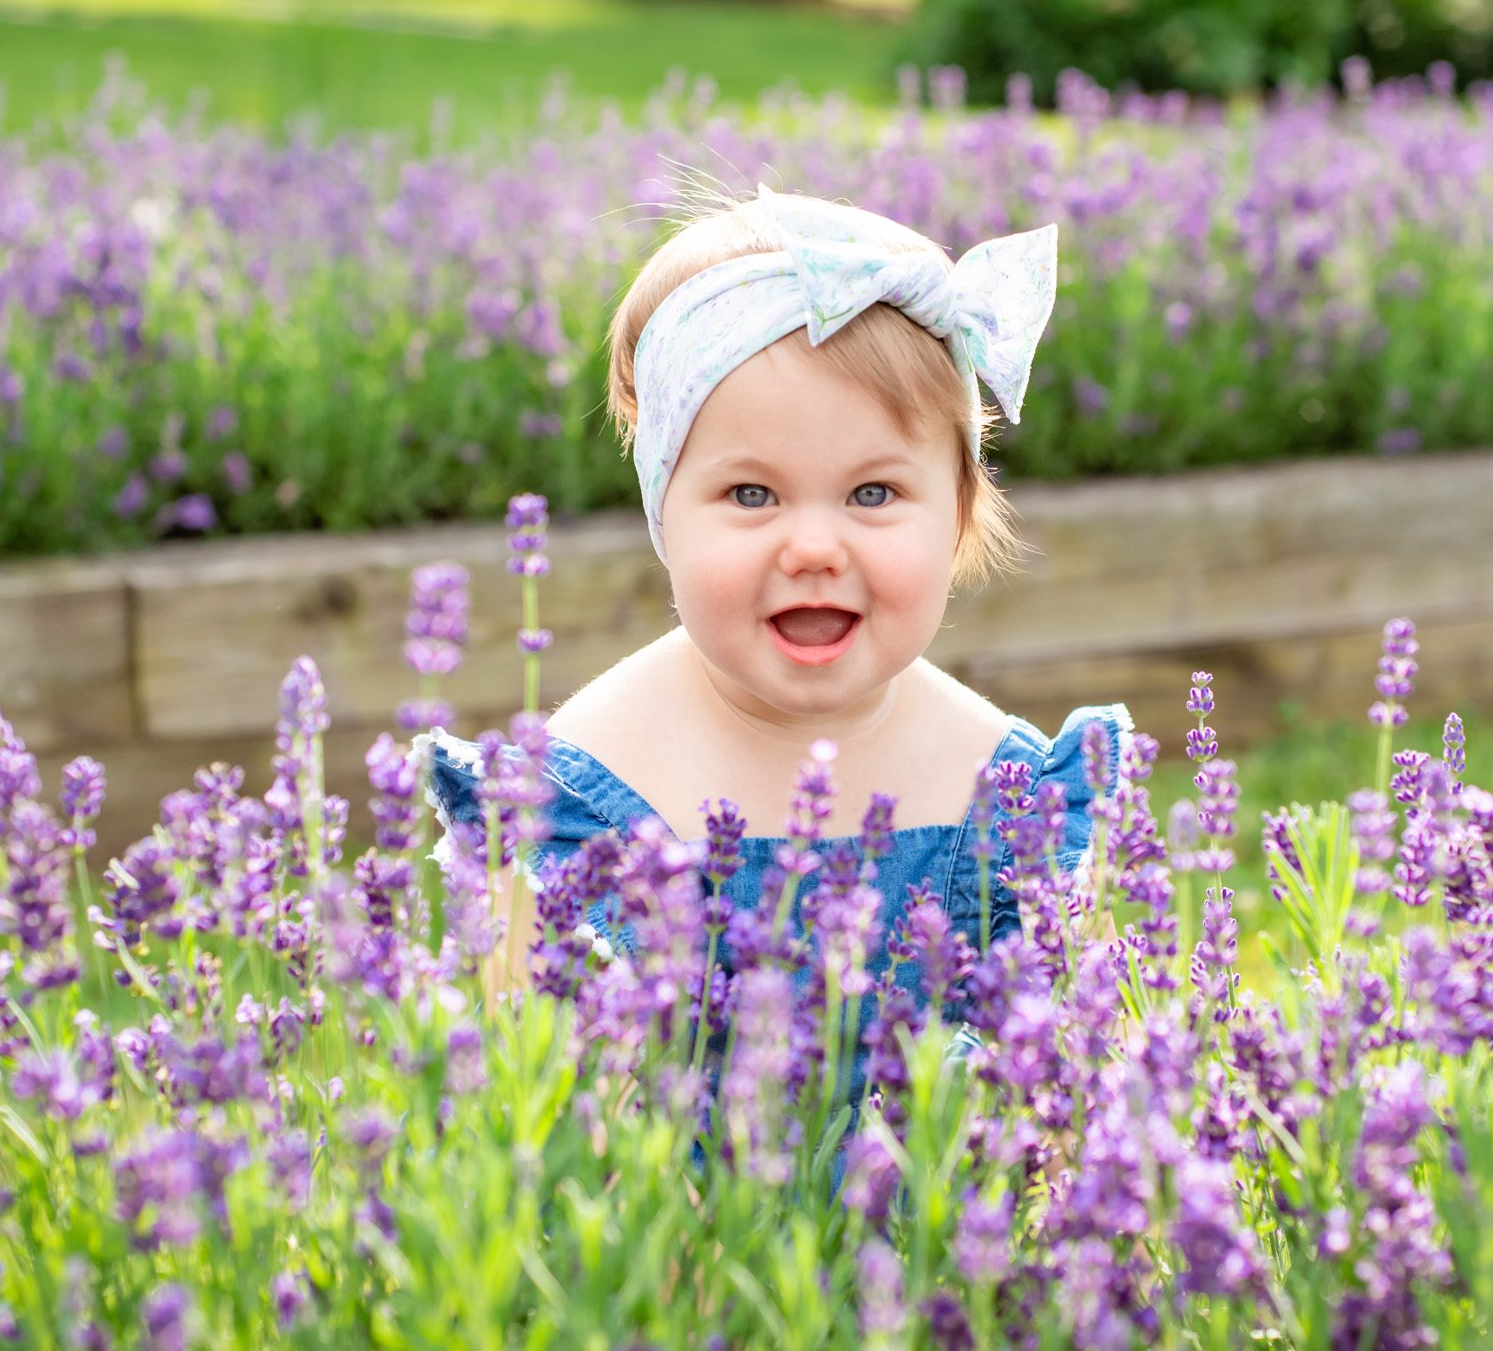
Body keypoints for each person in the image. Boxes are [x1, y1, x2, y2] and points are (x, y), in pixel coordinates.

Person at [425, 185, 1133, 993]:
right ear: (665, 513)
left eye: (872, 494)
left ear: (959, 514)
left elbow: (1077, 1067)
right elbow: (528, 1079)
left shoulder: (1013, 795)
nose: (813, 548)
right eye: (753, 495)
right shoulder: (583, 792)